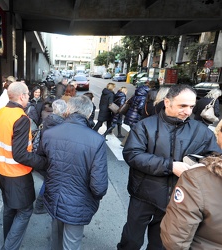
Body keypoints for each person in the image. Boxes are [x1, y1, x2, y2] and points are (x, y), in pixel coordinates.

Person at [117, 84, 222, 250]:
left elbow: (215, 159)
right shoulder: (145, 126)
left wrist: (199, 166)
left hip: (176, 200)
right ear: (167, 102)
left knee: (159, 244)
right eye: (183, 106)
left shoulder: (201, 131)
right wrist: (171, 166)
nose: (188, 111)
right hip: (143, 195)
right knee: (131, 241)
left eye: (192, 106)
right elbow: (132, 155)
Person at [38, 95, 108, 249]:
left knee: (55, 238)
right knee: (71, 243)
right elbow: (99, 186)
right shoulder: (96, 140)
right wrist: (94, 198)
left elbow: (42, 163)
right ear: (89, 114)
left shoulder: (50, 133)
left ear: (68, 110)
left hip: (54, 195)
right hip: (79, 202)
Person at [0, 81, 47, 250]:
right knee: (24, 211)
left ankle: (7, 241)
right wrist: (44, 162)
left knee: (9, 208)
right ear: (22, 96)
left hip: (0, 170)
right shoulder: (21, 119)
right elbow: (21, 154)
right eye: (28, 95)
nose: (29, 97)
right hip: (17, 175)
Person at [160, 155, 222, 249]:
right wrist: (169, 165)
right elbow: (133, 152)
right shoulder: (198, 179)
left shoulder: (197, 179)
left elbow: (175, 241)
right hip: (149, 191)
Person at [33, 99, 67, 214]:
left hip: (43, 155)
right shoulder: (61, 124)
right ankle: (39, 205)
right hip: (52, 157)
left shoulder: (47, 119)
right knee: (49, 181)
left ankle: (42, 203)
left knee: (49, 180)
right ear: (64, 111)